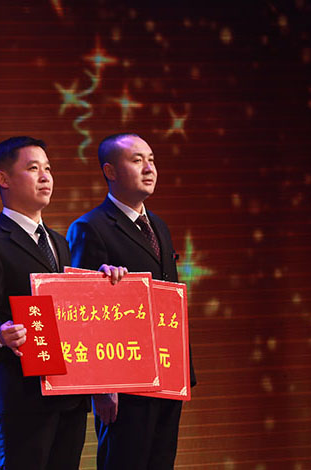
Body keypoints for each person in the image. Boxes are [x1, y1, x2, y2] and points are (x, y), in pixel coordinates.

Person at [0, 136, 126, 470]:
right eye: (33, 168)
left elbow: (72, 309)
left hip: (68, 397)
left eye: (48, 169)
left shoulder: (59, 242)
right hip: (22, 399)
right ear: (3, 179)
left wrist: (100, 282)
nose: (45, 177)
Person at [66, 133, 197, 470]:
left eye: (151, 160)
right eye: (137, 161)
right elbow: (82, 312)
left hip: (167, 371)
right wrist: (102, 385)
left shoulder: (159, 226)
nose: (149, 168)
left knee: (161, 461)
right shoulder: (90, 227)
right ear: (110, 171)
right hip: (125, 377)